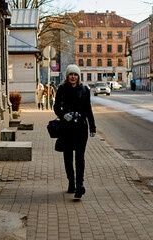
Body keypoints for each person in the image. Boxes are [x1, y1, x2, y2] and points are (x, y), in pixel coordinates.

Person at [54, 64, 96, 199]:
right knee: (67, 157)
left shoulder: (84, 89)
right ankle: (71, 182)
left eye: (75, 74)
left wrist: (93, 127)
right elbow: (56, 107)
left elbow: (88, 109)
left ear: (78, 76)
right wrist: (62, 115)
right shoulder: (61, 89)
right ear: (67, 76)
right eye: (71, 74)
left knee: (79, 157)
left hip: (81, 128)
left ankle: (80, 185)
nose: (73, 77)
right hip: (67, 128)